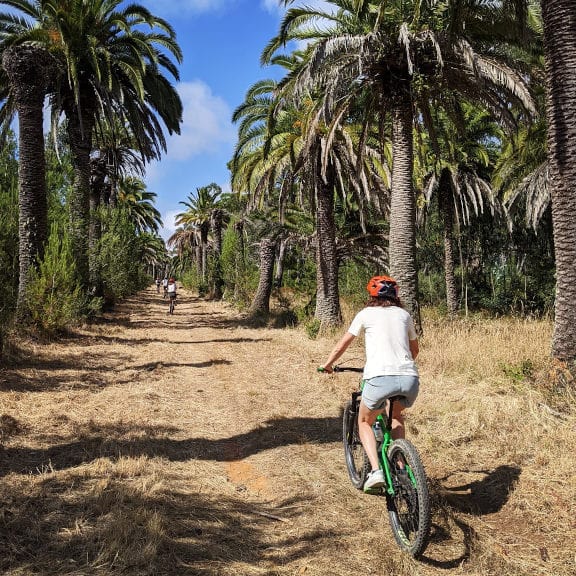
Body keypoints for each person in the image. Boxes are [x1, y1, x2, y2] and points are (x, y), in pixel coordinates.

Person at [319, 275, 420, 492]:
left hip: (378, 377)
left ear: (372, 295)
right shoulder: (404, 315)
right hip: (410, 378)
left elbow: (342, 344)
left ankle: (375, 471)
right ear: (396, 296)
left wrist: (327, 364)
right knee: (396, 417)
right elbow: (414, 351)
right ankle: (401, 467)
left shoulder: (366, 314)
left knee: (364, 421)